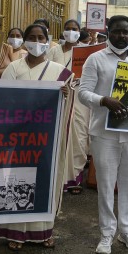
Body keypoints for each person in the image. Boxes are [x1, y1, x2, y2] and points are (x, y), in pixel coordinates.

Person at [0, 23, 72, 252]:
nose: (36, 42)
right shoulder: (14, 68)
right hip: (19, 136)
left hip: (47, 136)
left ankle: (43, 231)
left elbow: (67, 106)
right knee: (18, 180)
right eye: (32, 37)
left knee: (44, 180)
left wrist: (66, 95)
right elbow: (2, 99)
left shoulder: (60, 71)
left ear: (48, 41)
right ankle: (16, 231)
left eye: (41, 37)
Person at [79, 15, 128, 254]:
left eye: (125, 32)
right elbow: (82, 92)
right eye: (117, 31)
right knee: (106, 186)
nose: (121, 36)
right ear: (108, 32)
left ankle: (127, 231)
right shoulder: (95, 59)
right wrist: (103, 100)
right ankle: (106, 234)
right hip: (103, 133)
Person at [48, 19, 90, 194]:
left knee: (78, 137)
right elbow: (48, 70)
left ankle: (75, 178)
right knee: (59, 137)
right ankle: (56, 178)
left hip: (79, 98)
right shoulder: (53, 51)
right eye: (68, 28)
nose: (71, 31)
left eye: (74, 29)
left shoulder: (85, 52)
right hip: (59, 96)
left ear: (79, 32)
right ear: (63, 31)